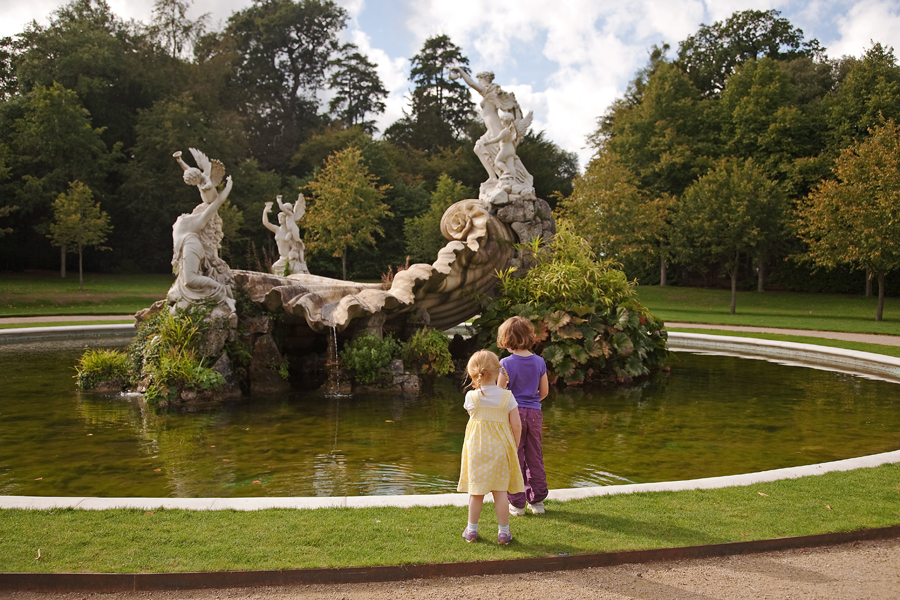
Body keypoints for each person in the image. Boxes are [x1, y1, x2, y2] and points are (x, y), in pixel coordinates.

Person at [457, 349, 524, 545]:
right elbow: (517, 425)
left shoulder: (471, 397)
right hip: (500, 450)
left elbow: (475, 420)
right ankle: (504, 533)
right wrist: (516, 445)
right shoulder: (507, 397)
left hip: (477, 450)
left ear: (473, 374)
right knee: (500, 493)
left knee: (476, 493)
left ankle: (471, 530)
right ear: (498, 372)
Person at [497, 316, 549, 516]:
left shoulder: (506, 363)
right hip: (534, 413)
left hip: (513, 414)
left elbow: (500, 393)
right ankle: (537, 502)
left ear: (508, 339)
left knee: (515, 456)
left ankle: (517, 504)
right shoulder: (540, 362)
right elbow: (543, 392)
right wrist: (532, 403)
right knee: (534, 455)